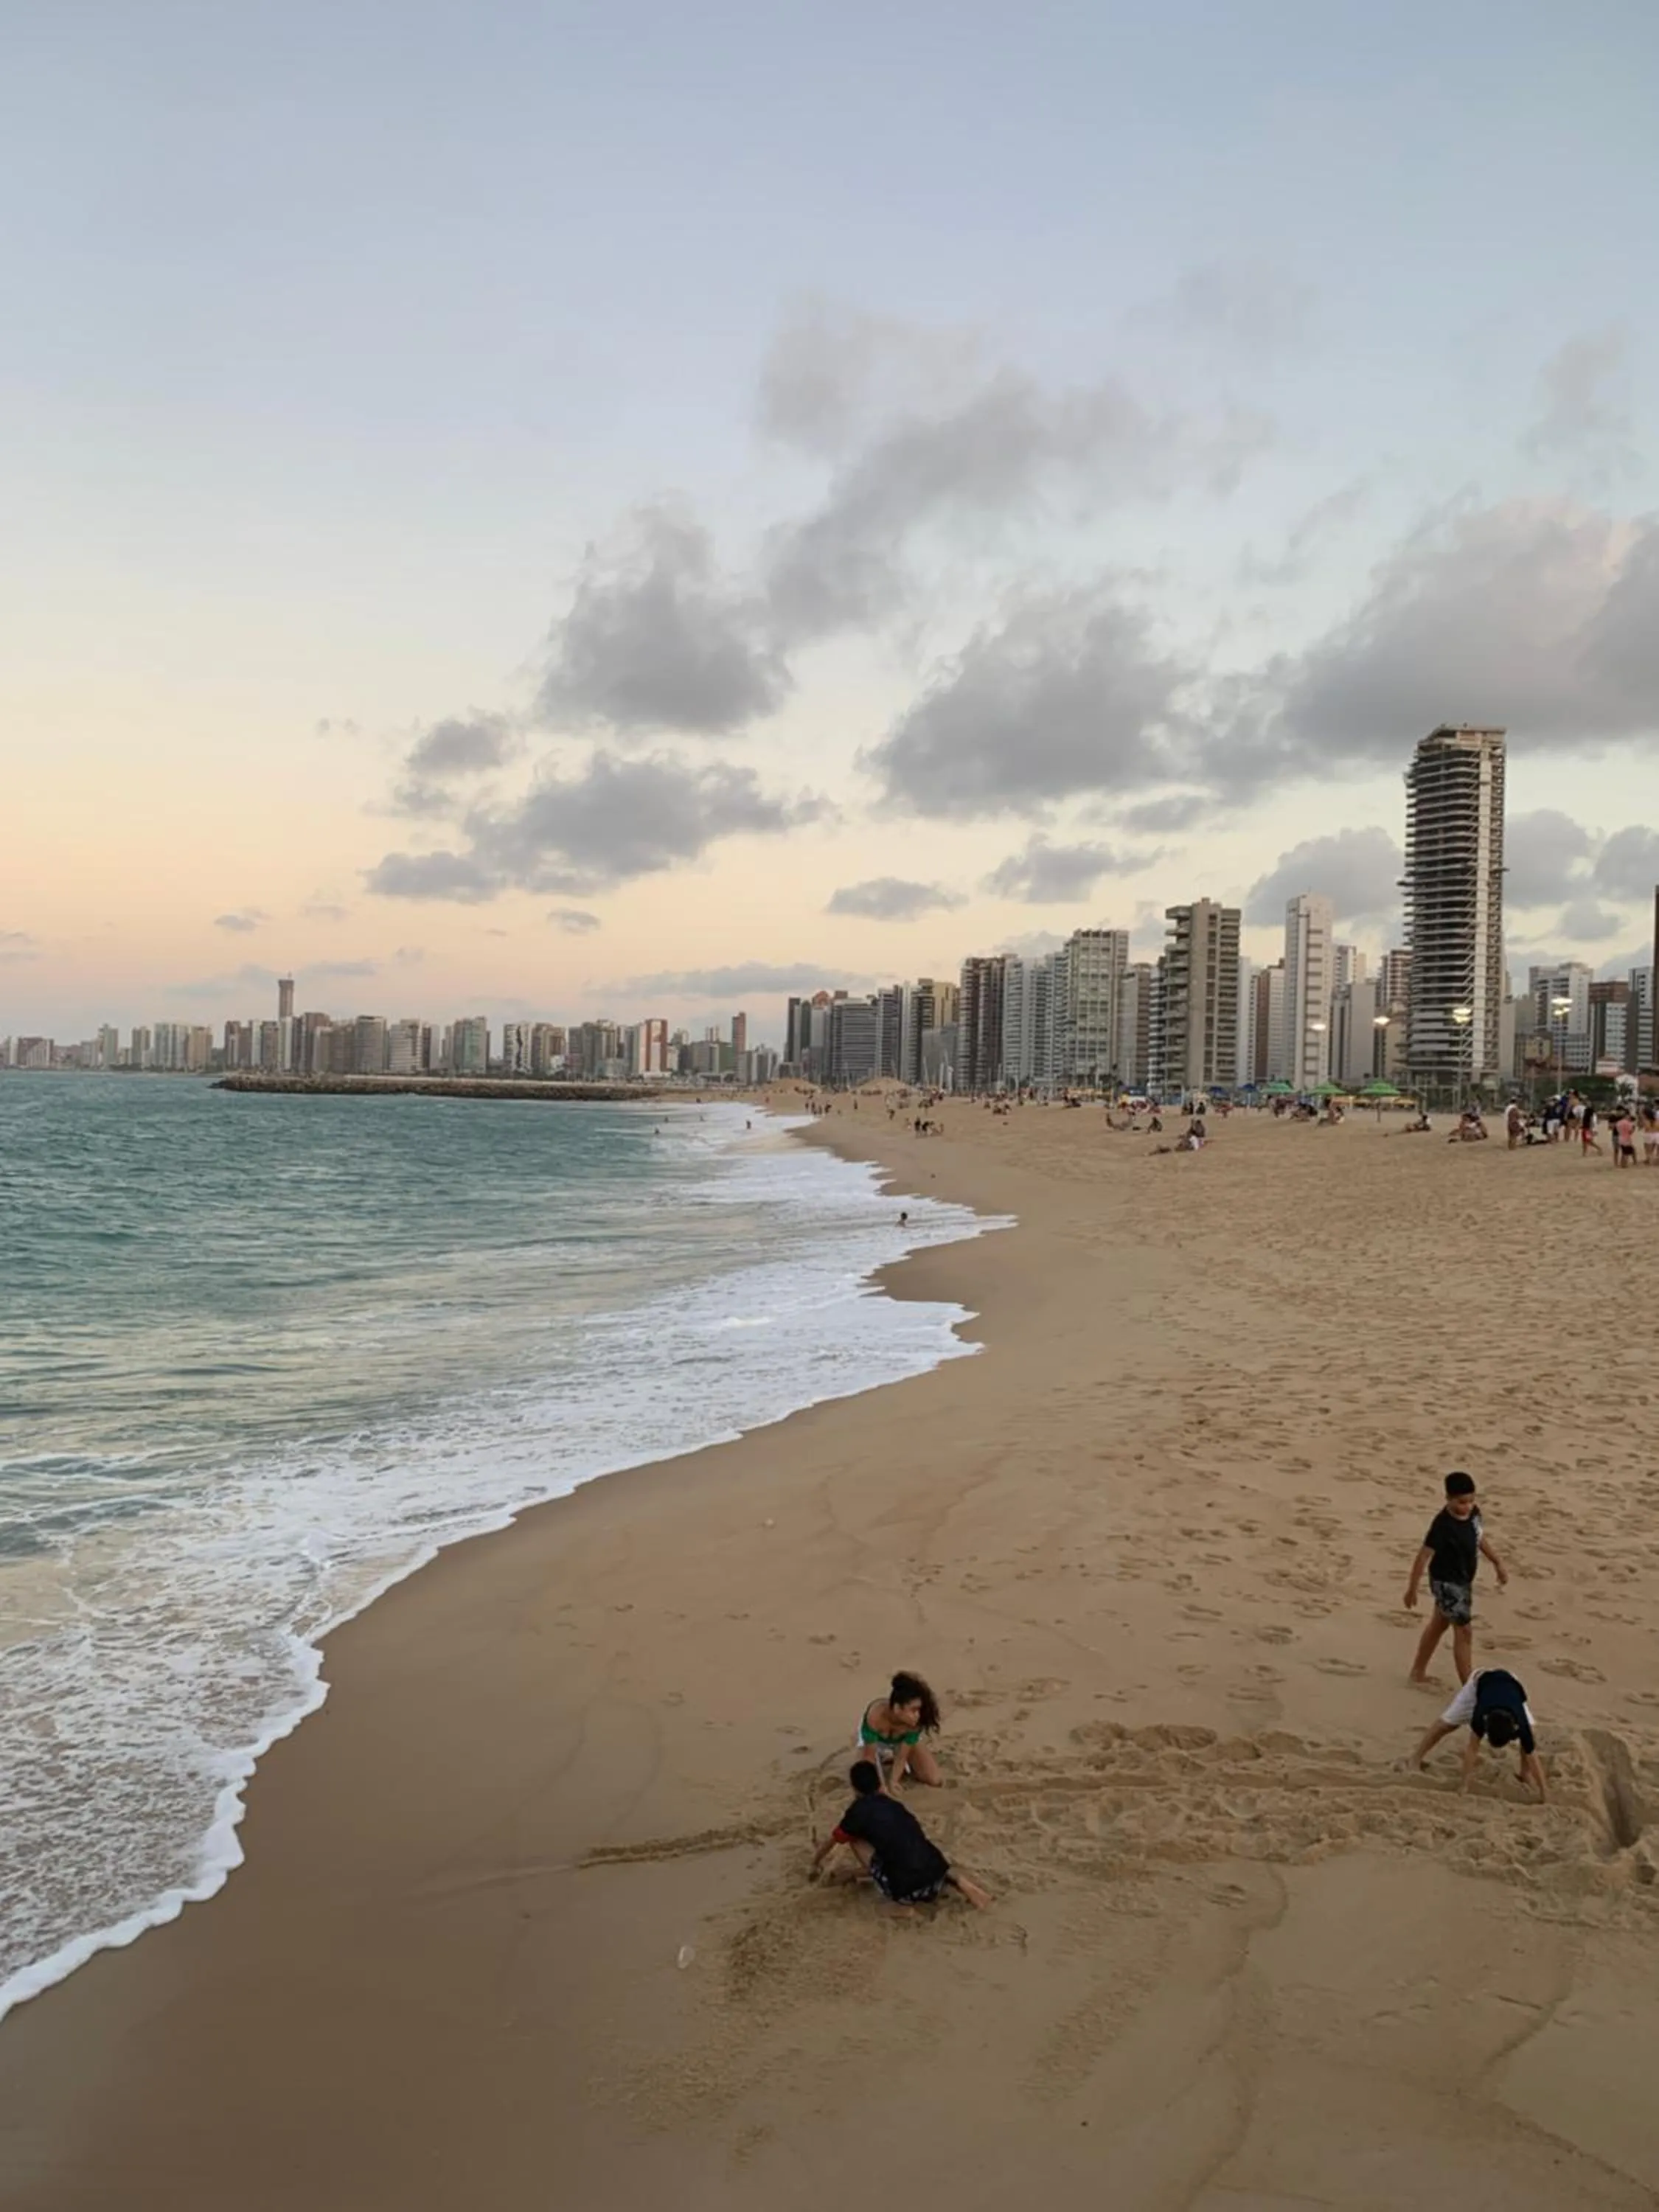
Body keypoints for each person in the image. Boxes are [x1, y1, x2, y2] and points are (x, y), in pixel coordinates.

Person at [811, 1761, 990, 1907]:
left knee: (854, 1839)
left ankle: (900, 1907)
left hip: (908, 1891)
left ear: (855, 1789)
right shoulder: (894, 1805)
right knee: (910, 1845)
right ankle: (960, 1883)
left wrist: (815, 1862)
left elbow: (833, 1841)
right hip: (938, 1874)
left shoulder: (857, 1813)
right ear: (879, 1784)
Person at [1405, 1470, 1509, 1686]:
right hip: (1446, 1583)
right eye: (1462, 1502)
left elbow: (1479, 1539)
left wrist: (1497, 1562)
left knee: (1439, 1624)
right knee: (1464, 1631)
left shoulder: (1474, 1514)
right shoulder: (1442, 1526)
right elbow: (1423, 1556)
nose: (1468, 1506)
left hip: (1463, 1580)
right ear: (1449, 1499)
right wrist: (1412, 1588)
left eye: (1471, 1500)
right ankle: (1468, 1688)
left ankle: (1417, 1672)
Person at [1411, 1667, 1548, 1801]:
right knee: (1446, 1725)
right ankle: (1415, 1760)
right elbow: (1472, 1748)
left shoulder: (1521, 1722)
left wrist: (1544, 1792)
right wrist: (1464, 1785)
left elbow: (1532, 1754)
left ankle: (1525, 1773)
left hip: (1511, 1684)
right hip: (1479, 1683)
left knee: (1529, 1737)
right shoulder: (1480, 1716)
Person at [856, 1672, 943, 1789]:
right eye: (913, 1710)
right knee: (866, 1780)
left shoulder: (914, 1723)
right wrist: (882, 1788)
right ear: (897, 1708)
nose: (917, 1715)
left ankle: (890, 1758)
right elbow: (870, 1757)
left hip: (899, 1742)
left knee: (934, 1779)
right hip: (874, 1743)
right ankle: (884, 1756)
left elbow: (902, 1755)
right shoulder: (875, 1716)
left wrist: (893, 1782)